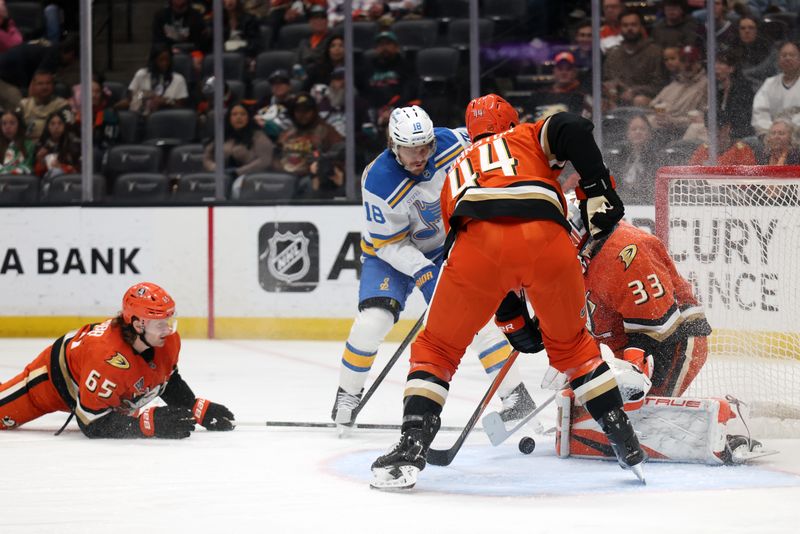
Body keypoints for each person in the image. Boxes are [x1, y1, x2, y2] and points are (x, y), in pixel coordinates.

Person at [370, 96, 646, 490]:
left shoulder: (456, 173)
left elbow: (471, 252)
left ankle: (411, 447)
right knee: (573, 350)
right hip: (548, 242)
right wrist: (597, 186)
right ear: (512, 121)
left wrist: (513, 319)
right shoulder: (527, 136)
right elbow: (573, 127)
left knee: (437, 350)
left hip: (476, 249)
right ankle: (624, 440)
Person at [332, 105, 536, 432]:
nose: (419, 156)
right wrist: (421, 270)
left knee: (479, 320)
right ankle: (348, 393)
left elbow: (491, 142)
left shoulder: (449, 143)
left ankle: (515, 395)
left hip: (445, 249)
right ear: (393, 146)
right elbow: (388, 243)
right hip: (392, 253)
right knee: (373, 322)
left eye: (425, 147)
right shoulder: (379, 181)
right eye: (410, 149)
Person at [557, 199, 764, 466]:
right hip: (636, 339)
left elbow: (655, 329)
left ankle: (723, 440)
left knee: (641, 412)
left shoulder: (626, 251)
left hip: (674, 340)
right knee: (609, 404)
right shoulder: (583, 257)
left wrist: (629, 378)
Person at [0, 282, 235, 438]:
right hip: (50, 384)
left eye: (169, 320)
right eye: (160, 322)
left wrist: (194, 407)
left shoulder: (165, 340)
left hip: (91, 383)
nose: (168, 329)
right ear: (137, 324)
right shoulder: (107, 359)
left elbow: (166, 379)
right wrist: (147, 424)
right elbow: (91, 423)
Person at [203, 102, 274, 191]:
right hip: (219, 177)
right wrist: (215, 168)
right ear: (229, 118)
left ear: (248, 117)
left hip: (249, 178)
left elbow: (264, 160)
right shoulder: (222, 135)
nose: (239, 117)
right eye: (234, 114)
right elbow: (207, 157)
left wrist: (238, 172)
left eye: (243, 114)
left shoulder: (258, 136)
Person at [603, 10, 667, 107]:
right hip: (617, 100)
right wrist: (610, 88)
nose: (629, 28)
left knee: (639, 100)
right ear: (620, 28)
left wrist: (634, 91)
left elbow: (660, 85)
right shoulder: (613, 54)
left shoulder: (655, 52)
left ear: (641, 27)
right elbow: (607, 80)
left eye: (634, 25)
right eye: (625, 25)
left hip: (645, 100)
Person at [751, 41, 800, 135]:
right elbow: (760, 113)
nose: (787, 58)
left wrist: (788, 131)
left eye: (792, 55)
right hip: (772, 136)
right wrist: (773, 132)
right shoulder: (769, 83)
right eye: (783, 55)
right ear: (778, 60)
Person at [126, 45, 190, 116]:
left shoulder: (178, 79)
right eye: (161, 60)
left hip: (168, 118)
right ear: (153, 60)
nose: (164, 63)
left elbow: (180, 106)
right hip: (142, 115)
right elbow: (131, 97)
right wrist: (148, 95)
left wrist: (166, 101)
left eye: (167, 60)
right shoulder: (141, 74)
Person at [19, 70, 70, 141]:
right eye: (40, 84)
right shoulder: (24, 105)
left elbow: (68, 130)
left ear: (53, 85)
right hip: (27, 145)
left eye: (48, 83)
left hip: (53, 146)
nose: (44, 87)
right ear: (33, 86)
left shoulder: (62, 105)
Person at [33, 108, 81, 179]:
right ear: (48, 127)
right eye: (52, 124)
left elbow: (77, 171)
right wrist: (40, 162)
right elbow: (36, 175)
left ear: (64, 126)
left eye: (60, 123)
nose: (56, 127)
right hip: (47, 180)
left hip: (68, 180)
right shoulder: (41, 144)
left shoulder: (73, 144)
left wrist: (61, 167)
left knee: (56, 172)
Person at [0, 107, 34, 175]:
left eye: (12, 123)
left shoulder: (28, 144)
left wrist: (6, 171)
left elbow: (27, 167)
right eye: (4, 123)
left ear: (19, 125)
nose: (7, 127)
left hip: (21, 182)